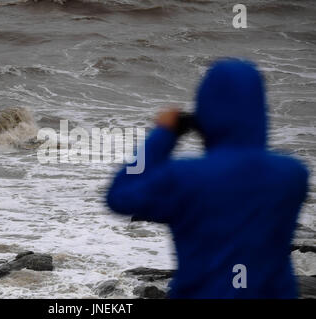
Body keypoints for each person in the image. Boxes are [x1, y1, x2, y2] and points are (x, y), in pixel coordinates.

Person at [106, 59, 309, 298]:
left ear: (205, 110)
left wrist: (163, 135)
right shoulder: (292, 174)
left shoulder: (185, 177)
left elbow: (119, 196)